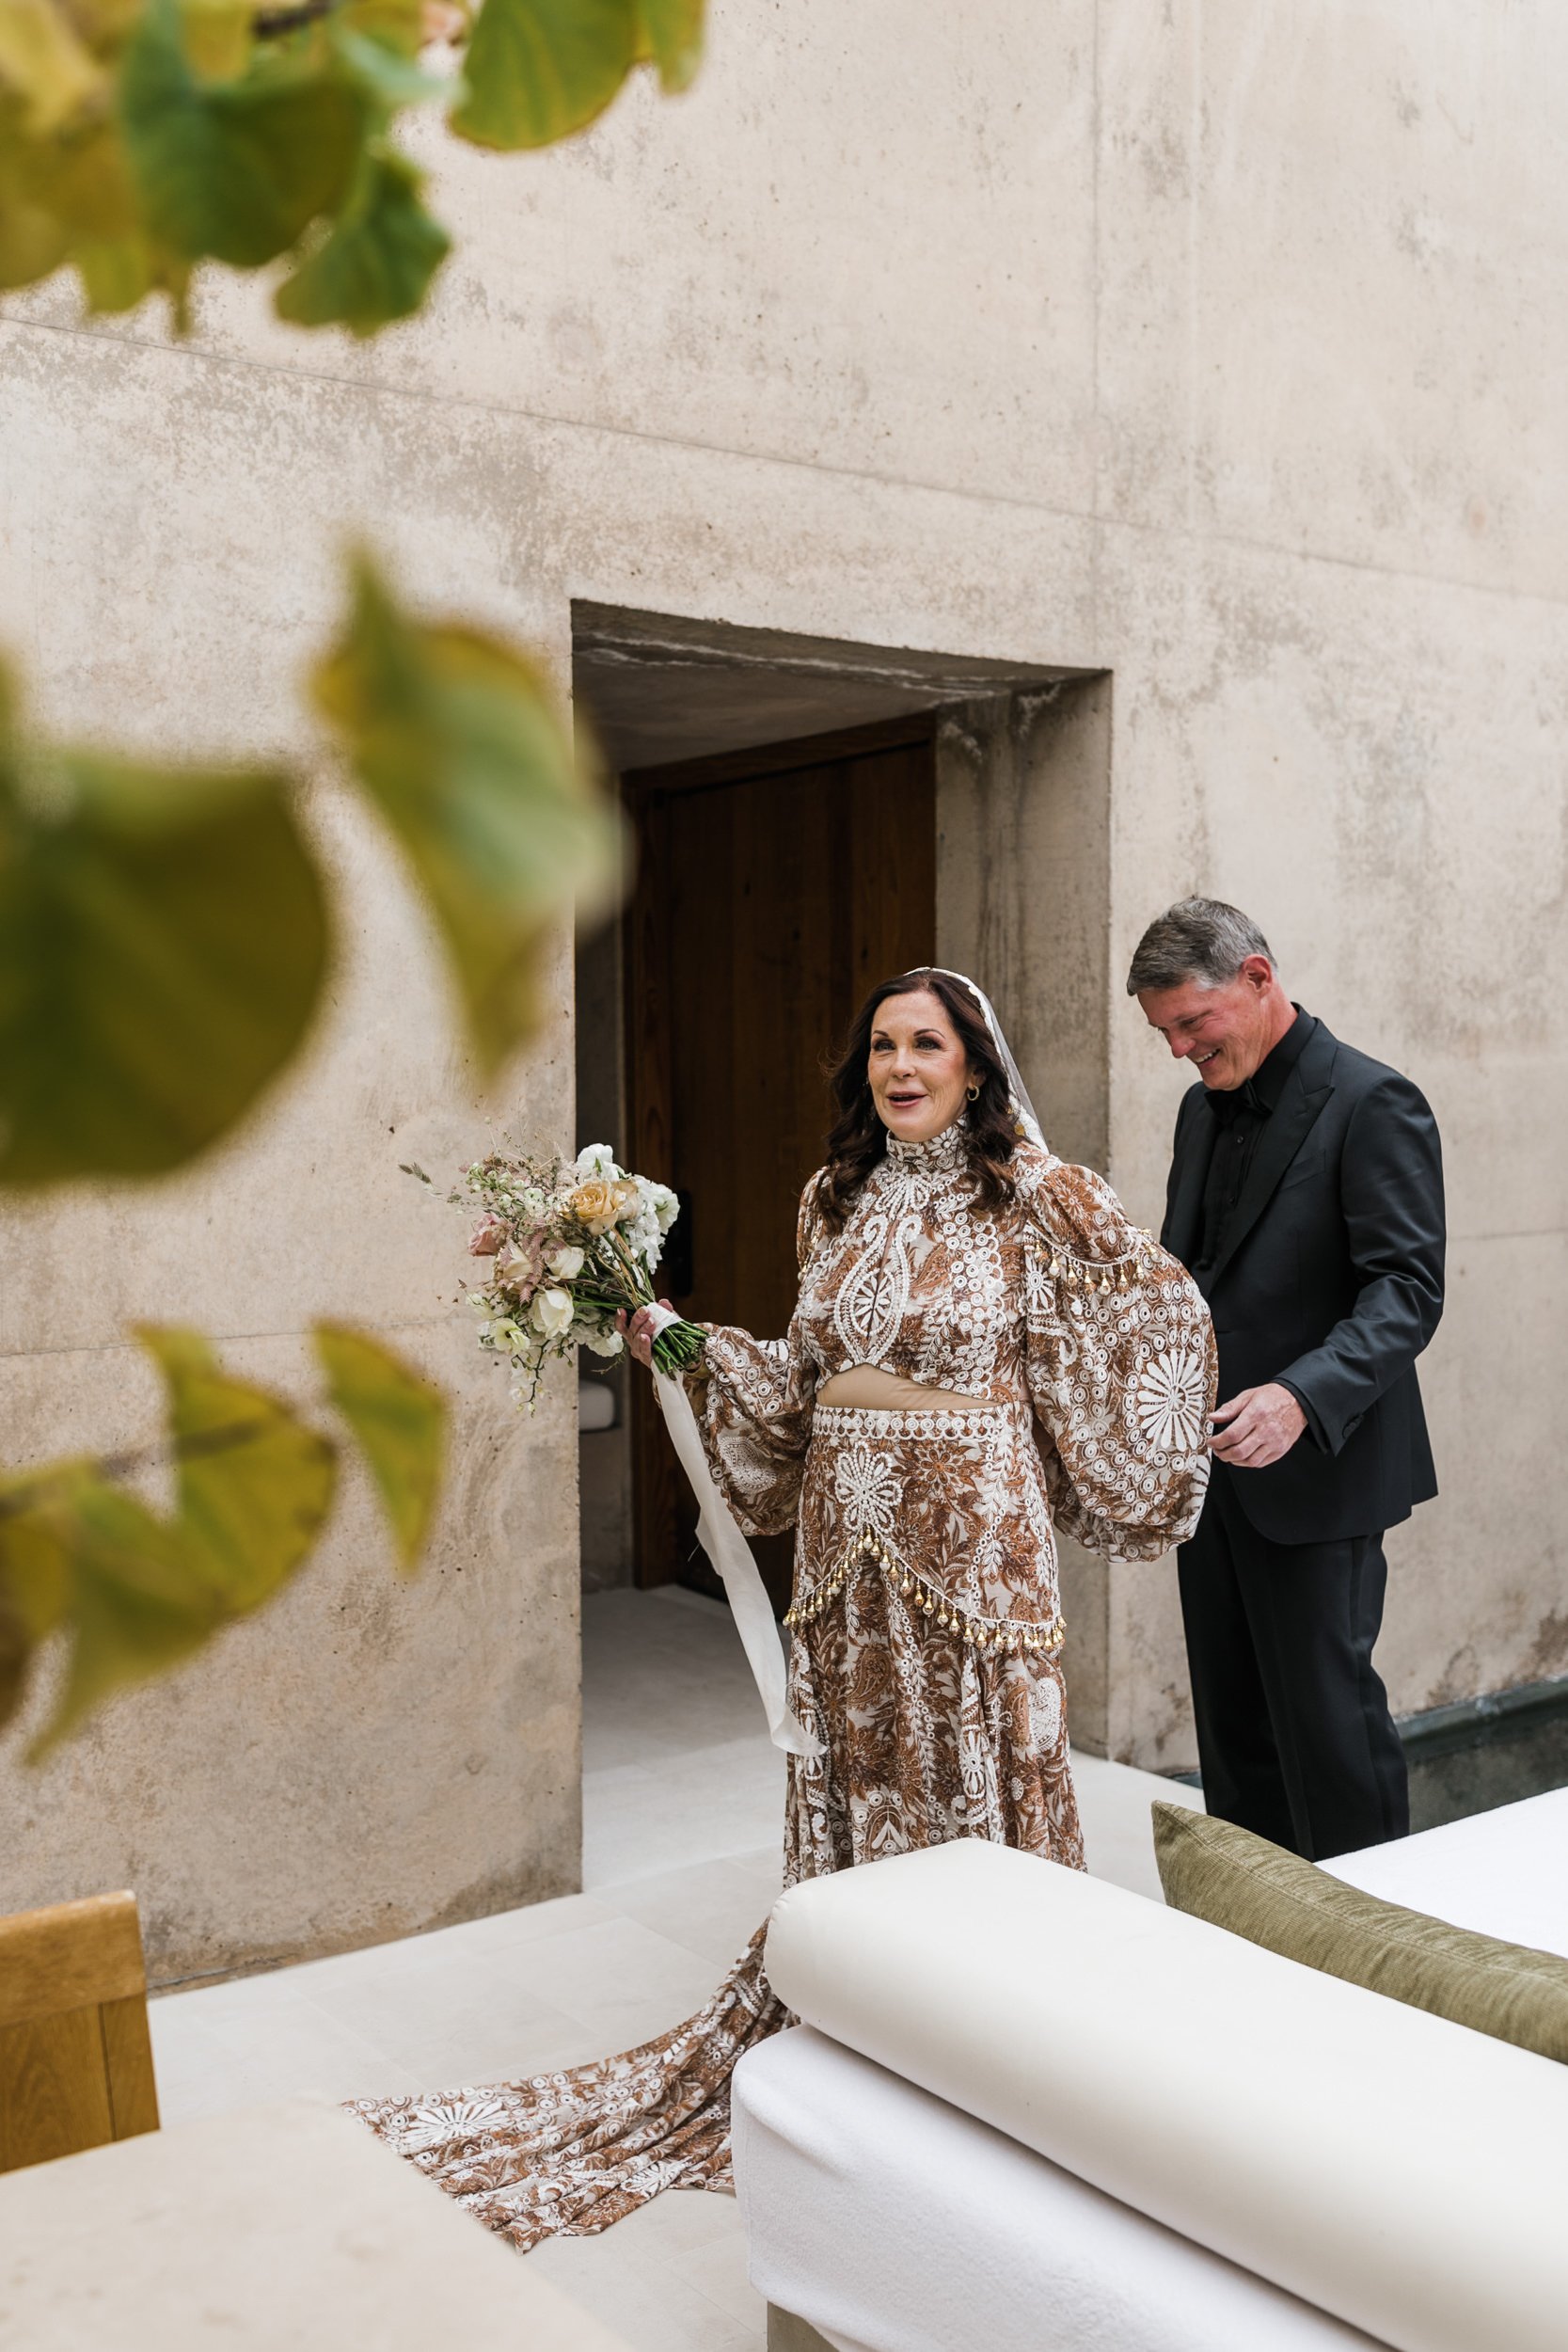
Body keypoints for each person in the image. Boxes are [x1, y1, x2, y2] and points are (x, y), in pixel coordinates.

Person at [353, 967, 1214, 2247]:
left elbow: (1157, 1318)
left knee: (967, 1780)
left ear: (974, 1066)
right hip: (842, 1541)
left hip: (973, 1545)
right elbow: (802, 1391)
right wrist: (669, 1334)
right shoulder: (833, 1199)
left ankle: (993, 2042)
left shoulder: (1036, 1194)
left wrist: (1124, 1444)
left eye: (926, 1044)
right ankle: (869, 2015)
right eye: (880, 1045)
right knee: (862, 1771)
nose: (900, 1066)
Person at [1129, 899, 1445, 1861]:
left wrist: (1301, 1395)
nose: (1181, 1048)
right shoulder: (1197, 1108)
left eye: (1193, 1022)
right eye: (1164, 1032)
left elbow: (1405, 1288)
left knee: (1327, 1733)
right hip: (1210, 1472)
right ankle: (1262, 1938)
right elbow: (1187, 1276)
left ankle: (1376, 1943)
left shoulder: (1373, 1099)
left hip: (1317, 1469)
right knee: (1232, 1732)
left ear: (1258, 979)